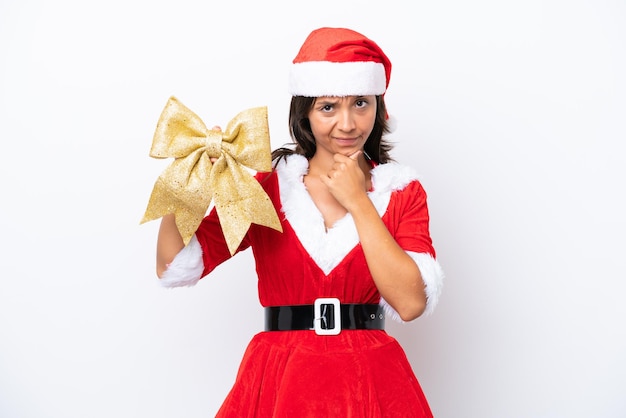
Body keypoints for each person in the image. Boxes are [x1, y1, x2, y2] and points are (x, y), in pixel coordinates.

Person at [155, 27, 444, 418]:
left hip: (371, 379)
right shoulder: (271, 188)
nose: (347, 123)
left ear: (378, 107)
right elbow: (176, 264)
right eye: (328, 107)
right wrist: (189, 185)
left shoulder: (402, 192)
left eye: (361, 103)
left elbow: (410, 304)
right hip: (279, 377)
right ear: (304, 112)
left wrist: (359, 202)